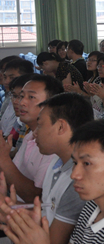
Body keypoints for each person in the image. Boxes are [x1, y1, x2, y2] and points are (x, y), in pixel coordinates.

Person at [0, 92, 94, 244]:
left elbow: (52, 240)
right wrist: (9, 209)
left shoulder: (77, 182)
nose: (35, 133)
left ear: (61, 127)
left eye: (40, 125)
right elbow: (46, 213)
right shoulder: (57, 161)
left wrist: (11, 215)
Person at [0, 75, 62, 204]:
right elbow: (13, 175)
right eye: (21, 96)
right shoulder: (30, 135)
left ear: (51, 103)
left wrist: (4, 159)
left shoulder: (53, 145)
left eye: (31, 97)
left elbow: (34, 197)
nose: (20, 102)